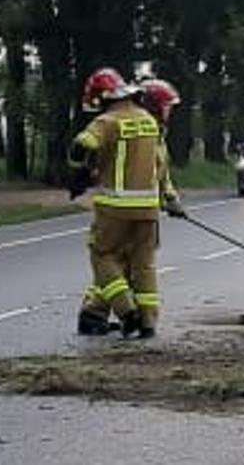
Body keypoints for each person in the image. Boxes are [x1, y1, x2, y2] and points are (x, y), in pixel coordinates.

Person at [68, 70, 175, 338]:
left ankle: (127, 313)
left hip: (113, 207)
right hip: (148, 209)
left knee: (103, 256)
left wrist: (79, 170)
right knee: (144, 265)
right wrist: (170, 200)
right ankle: (148, 323)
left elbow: (81, 146)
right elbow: (160, 168)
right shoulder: (149, 122)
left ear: (102, 99)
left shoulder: (107, 121)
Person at [136, 77, 188, 221]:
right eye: (167, 106)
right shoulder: (140, 135)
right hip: (130, 211)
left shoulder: (158, 134)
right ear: (154, 107)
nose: (170, 111)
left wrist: (171, 199)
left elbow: (162, 172)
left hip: (146, 211)